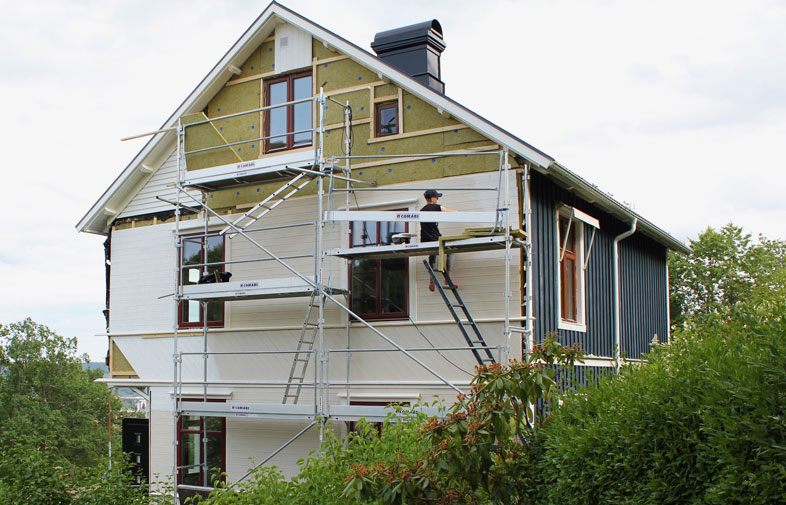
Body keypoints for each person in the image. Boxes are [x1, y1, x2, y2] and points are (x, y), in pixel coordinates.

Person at [420, 189, 457, 291]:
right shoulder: (436, 207)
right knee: (451, 250)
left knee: (433, 255)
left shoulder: (422, 210)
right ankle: (448, 278)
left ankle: (431, 280)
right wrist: (459, 213)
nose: (437, 199)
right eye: (436, 197)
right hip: (435, 238)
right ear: (432, 199)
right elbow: (451, 212)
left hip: (425, 239)